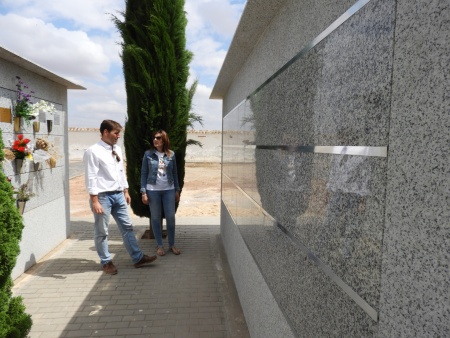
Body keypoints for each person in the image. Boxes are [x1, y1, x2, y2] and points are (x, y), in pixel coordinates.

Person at [84, 119, 157, 275]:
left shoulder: (117, 148)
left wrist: (125, 190)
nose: (118, 136)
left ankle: (138, 259)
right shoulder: (93, 151)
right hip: (102, 197)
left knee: (127, 227)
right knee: (102, 231)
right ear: (105, 132)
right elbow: (91, 177)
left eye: (119, 133)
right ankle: (106, 262)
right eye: (116, 133)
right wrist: (94, 200)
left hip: (118, 195)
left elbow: (120, 170)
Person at [140, 129, 181, 256]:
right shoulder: (148, 154)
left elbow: (174, 173)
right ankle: (159, 246)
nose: (155, 140)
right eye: (154, 138)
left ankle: (172, 244)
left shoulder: (171, 155)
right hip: (153, 190)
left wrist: (177, 190)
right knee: (156, 218)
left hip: (169, 189)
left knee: (170, 217)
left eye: (158, 138)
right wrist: (143, 192)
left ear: (164, 140)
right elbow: (144, 173)